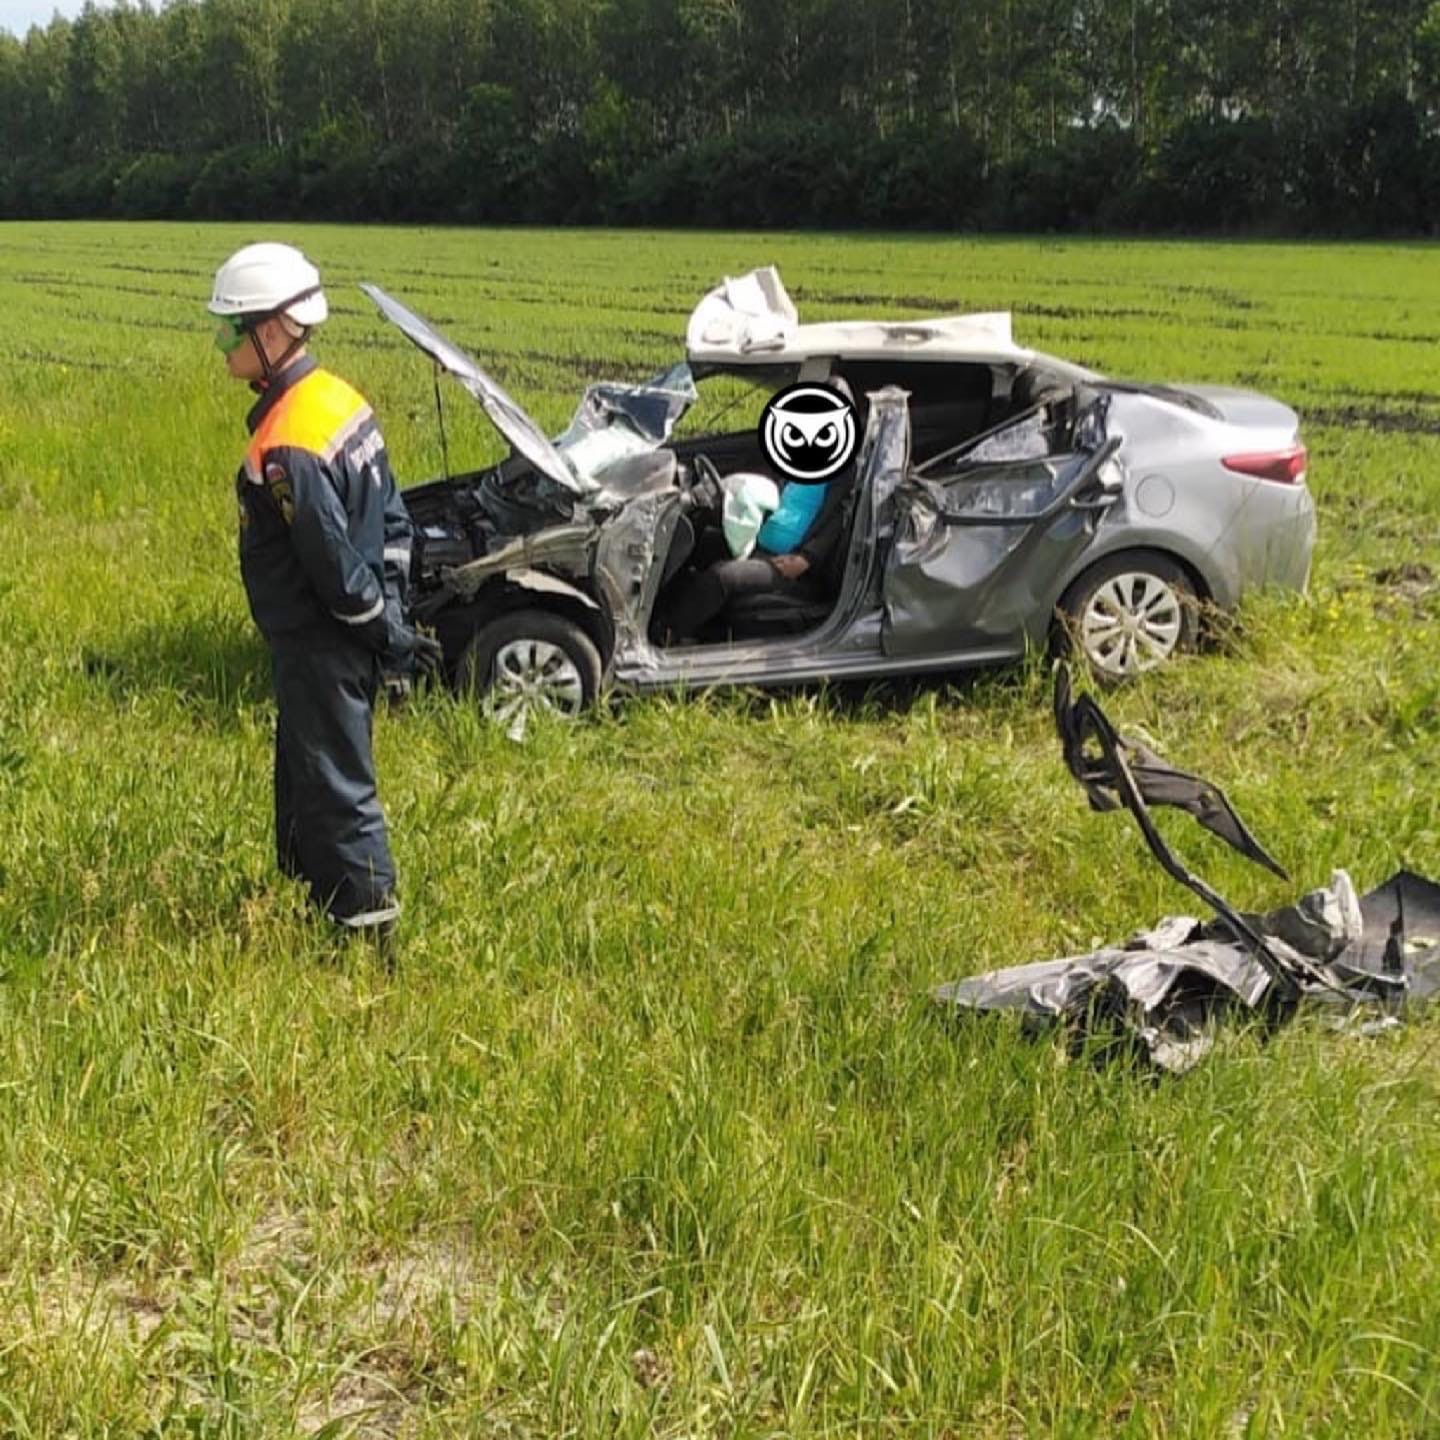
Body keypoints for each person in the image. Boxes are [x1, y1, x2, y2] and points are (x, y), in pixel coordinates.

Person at [210, 241, 418, 943]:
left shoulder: (288, 440)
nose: (222, 344)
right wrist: (389, 612)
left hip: (324, 642)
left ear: (273, 332)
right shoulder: (339, 401)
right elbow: (394, 520)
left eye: (231, 328)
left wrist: (377, 630)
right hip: (327, 639)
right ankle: (306, 899)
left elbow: (332, 566)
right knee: (304, 774)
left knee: (336, 787)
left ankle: (367, 935)